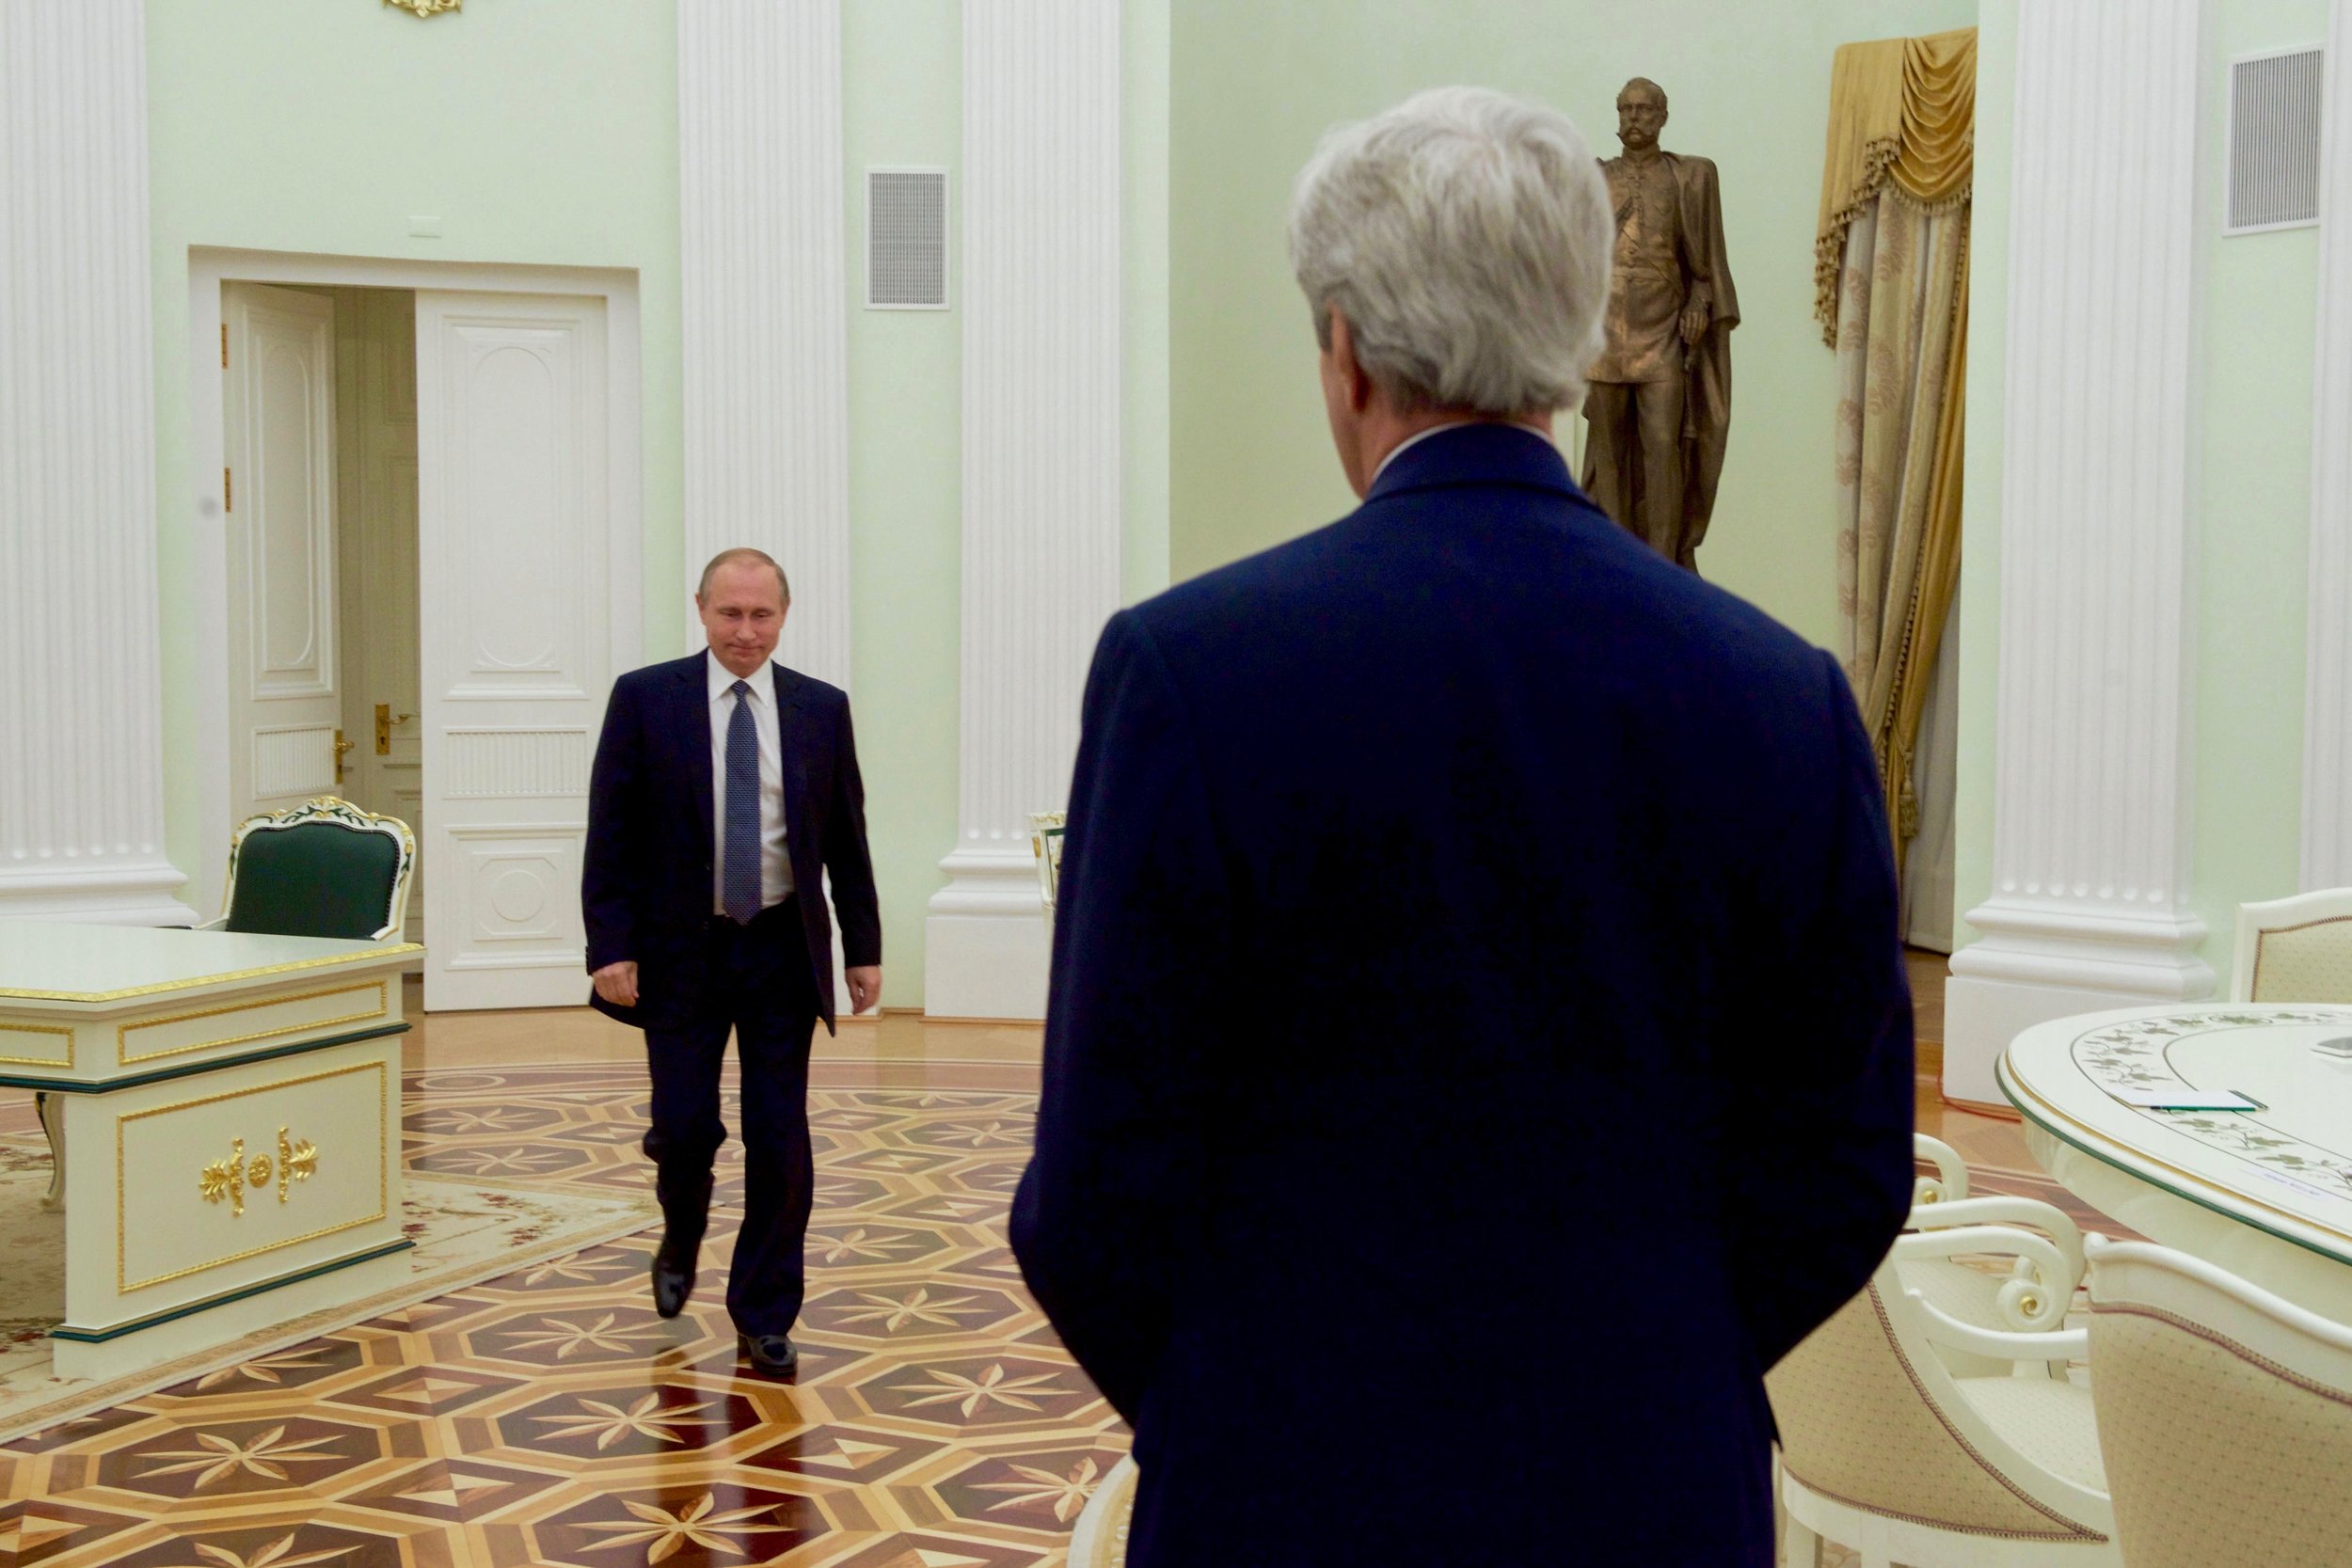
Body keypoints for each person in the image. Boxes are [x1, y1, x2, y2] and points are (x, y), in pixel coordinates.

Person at [1010, 87, 1912, 1564]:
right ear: (1574, 343)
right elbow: (1848, 1161)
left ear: (1346, 351)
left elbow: (1096, 1184)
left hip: (1278, 1487)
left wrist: (1242, 1390)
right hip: (1651, 1486)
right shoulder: (1784, 694)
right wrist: (1649, 1358)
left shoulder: (1191, 669)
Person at [582, 547, 882, 1376]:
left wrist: (864, 948)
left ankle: (764, 1311)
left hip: (782, 947)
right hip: (682, 951)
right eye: (729, 613)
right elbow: (610, 830)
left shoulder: (822, 708)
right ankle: (682, 1228)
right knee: (684, 1128)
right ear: (702, 610)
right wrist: (610, 945)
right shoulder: (647, 699)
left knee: (780, 1137)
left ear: (783, 615)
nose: (745, 631)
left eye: (760, 615)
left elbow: (846, 838)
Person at [1581, 75, 1740, 570]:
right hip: (1607, 333)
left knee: (1662, 448)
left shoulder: (1689, 178)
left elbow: (1705, 268)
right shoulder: (1595, 178)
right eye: (1626, 109)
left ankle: (1662, 566)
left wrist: (1700, 301)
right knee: (1607, 454)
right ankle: (1615, 561)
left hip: (1662, 333)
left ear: (1663, 117)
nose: (1633, 118)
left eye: (1645, 110)